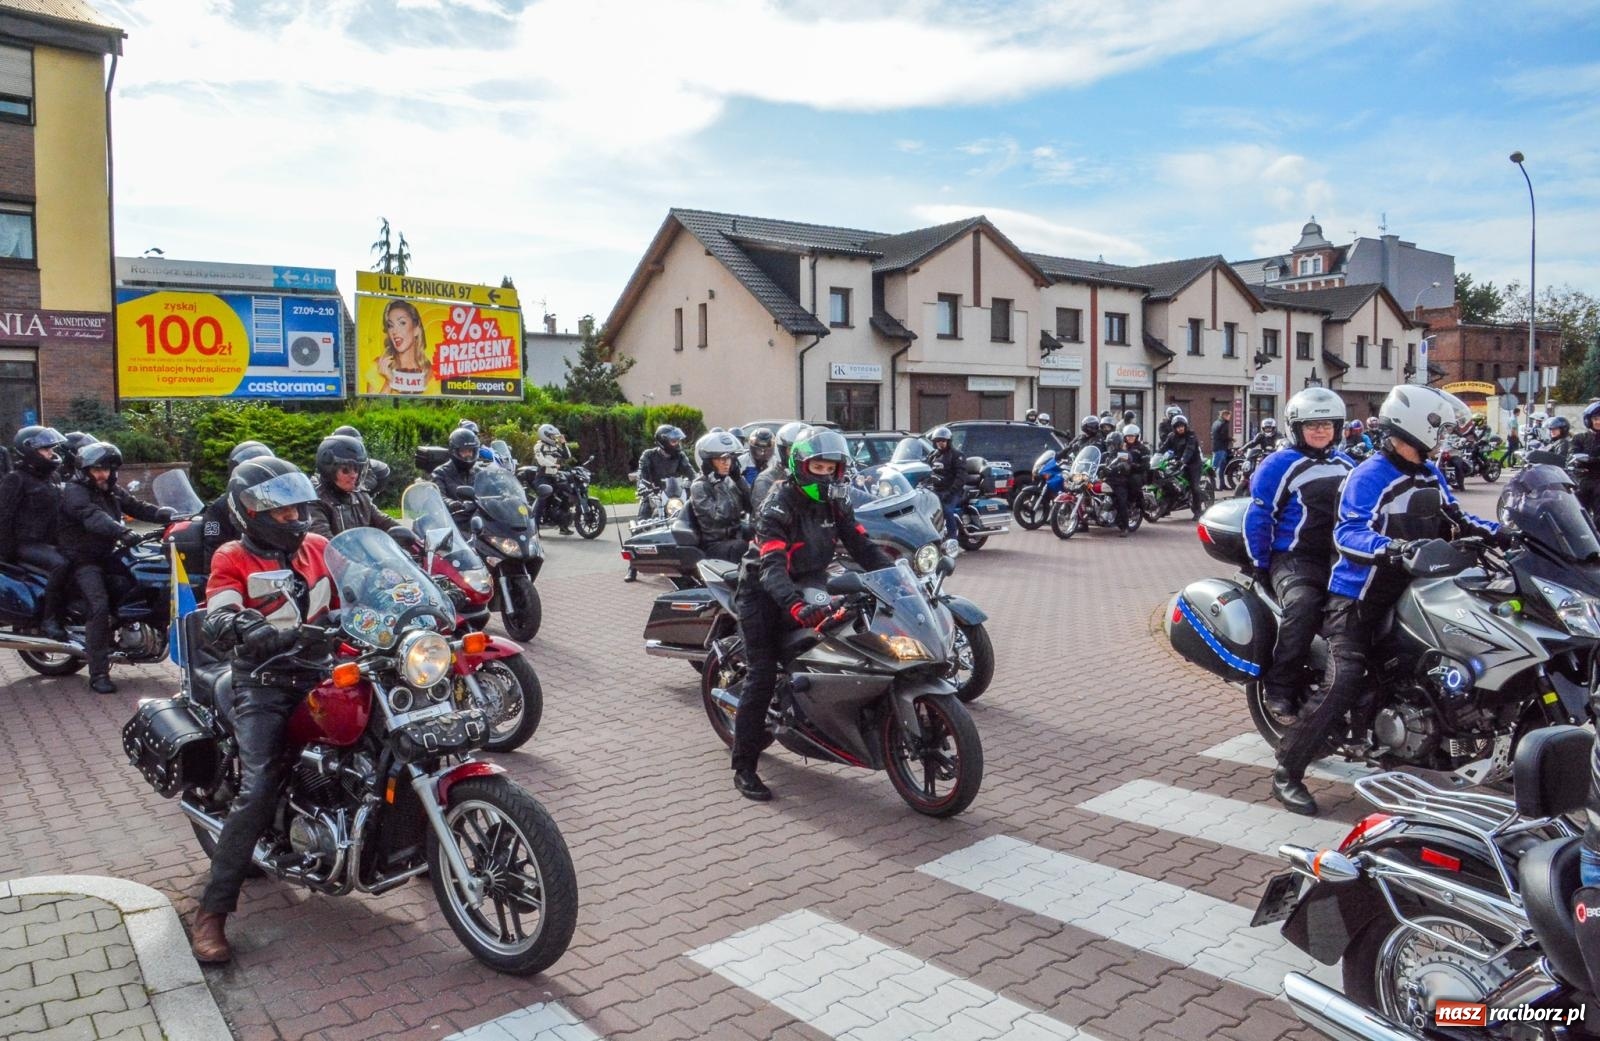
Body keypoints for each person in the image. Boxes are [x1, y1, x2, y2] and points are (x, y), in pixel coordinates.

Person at [1271, 385, 1503, 816]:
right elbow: (1348, 532)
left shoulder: (1428, 472)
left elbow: (1457, 515)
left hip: (1419, 591)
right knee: (1344, 679)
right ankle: (1288, 771)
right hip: (1360, 598)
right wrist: (1394, 548)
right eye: (1441, 429)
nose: (1446, 437)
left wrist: (1500, 531)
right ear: (1415, 427)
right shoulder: (1370, 475)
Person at [190, 457, 335, 964]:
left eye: (297, 506)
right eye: (281, 510)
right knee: (258, 787)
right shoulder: (233, 556)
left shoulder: (318, 547)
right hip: (264, 682)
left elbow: (360, 585)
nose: (294, 517)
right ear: (250, 512)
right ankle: (211, 911)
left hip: (322, 672)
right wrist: (239, 626)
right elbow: (220, 609)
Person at [731, 429, 893, 800]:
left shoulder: (837, 500)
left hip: (810, 580)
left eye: (831, 468)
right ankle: (744, 767)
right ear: (800, 466)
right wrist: (796, 606)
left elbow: (861, 544)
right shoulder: (778, 504)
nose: (824, 474)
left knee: (843, 634)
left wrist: (897, 579)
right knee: (762, 675)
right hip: (763, 592)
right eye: (817, 466)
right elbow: (771, 567)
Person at [1242, 388, 1353, 723]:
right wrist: (1261, 565)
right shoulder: (1279, 465)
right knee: (1304, 605)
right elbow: (1259, 516)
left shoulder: (1346, 464)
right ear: (1295, 427)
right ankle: (1279, 687)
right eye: (1311, 425)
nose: (1320, 431)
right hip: (1294, 558)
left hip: (1339, 558)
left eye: (1327, 424)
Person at [57, 442, 176, 693]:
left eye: (108, 470)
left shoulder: (110, 489)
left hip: (109, 555)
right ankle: (98, 673)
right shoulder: (74, 492)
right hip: (83, 559)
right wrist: (122, 531)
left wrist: (170, 516)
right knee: (98, 607)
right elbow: (92, 517)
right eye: (98, 469)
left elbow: (136, 506)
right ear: (84, 469)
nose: (104, 475)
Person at [0, 426, 71, 640]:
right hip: (26, 543)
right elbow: (4, 516)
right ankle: (50, 620)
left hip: (50, 540)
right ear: (29, 450)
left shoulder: (52, 477)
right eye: (45, 450)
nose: (51, 453)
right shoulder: (16, 479)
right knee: (61, 564)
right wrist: (6, 552)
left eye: (51, 449)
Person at [307, 435, 399, 538]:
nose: (354, 475)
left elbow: (385, 523)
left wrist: (414, 541)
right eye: (346, 469)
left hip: (361, 553)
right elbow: (324, 543)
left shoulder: (360, 496)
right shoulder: (314, 500)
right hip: (332, 554)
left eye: (357, 469)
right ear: (328, 469)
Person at [202, 441, 274, 572]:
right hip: (239, 573)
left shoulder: (275, 502)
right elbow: (214, 552)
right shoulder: (219, 507)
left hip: (274, 569)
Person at [688, 431, 752, 562]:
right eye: (720, 458)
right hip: (715, 544)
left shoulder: (728, 480)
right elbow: (721, 516)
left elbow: (751, 504)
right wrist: (716, 482)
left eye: (729, 458)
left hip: (735, 537)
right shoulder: (699, 487)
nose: (726, 463)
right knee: (742, 547)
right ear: (708, 462)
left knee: (764, 534)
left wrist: (739, 479)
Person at [371, 299, 429, 395]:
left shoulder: (431, 372)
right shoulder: (378, 367)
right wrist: (389, 382)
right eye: (390, 325)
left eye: (402, 323)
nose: (395, 331)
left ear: (416, 329)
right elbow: (373, 408)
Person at [751, 422, 809, 509]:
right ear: (782, 450)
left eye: (805, 450)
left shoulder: (812, 476)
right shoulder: (767, 479)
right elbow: (762, 514)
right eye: (793, 450)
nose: (800, 454)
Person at [1157, 414, 1205, 520]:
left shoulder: (1191, 435)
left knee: (1194, 487)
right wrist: (1155, 456)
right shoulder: (1171, 436)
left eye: (1182, 426)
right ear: (1174, 427)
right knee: (1167, 481)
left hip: (1193, 463)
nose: (1180, 428)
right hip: (1178, 462)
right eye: (1178, 426)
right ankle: (1166, 508)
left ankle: (1198, 511)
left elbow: (1189, 449)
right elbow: (1163, 448)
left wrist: (1183, 460)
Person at [1106, 424, 1150, 536]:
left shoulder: (1134, 451)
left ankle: (1125, 527)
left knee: (1122, 499)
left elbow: (1130, 463)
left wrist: (1127, 466)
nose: (1130, 438)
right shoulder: (1108, 453)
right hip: (1112, 478)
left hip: (1127, 478)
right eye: (1128, 436)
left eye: (1132, 436)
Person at [431, 427, 485, 513]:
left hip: (479, 517)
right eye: (463, 451)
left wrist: (505, 494)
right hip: (454, 519)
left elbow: (492, 490)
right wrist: (451, 503)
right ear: (454, 450)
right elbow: (438, 496)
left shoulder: (480, 472)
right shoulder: (440, 473)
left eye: (470, 451)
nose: (468, 455)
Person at [530, 424, 571, 532]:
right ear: (545, 435)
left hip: (554, 477)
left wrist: (563, 443)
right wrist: (553, 465)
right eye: (552, 436)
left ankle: (563, 526)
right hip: (542, 477)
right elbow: (541, 460)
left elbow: (567, 456)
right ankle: (535, 528)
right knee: (542, 500)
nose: (554, 438)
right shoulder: (539, 446)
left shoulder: (555, 447)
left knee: (565, 497)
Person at [927, 426, 965, 539]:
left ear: (948, 441)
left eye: (943, 440)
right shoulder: (933, 456)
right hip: (937, 490)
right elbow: (926, 471)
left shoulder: (957, 455)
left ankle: (952, 538)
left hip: (953, 491)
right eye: (938, 441)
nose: (940, 443)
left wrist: (951, 491)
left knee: (947, 510)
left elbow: (961, 477)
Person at [1571, 403, 1600, 519]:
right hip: (1582, 480)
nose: (1598, 422)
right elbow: (1573, 456)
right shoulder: (1580, 438)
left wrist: (1589, 460)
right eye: (1595, 419)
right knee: (1578, 515)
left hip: (1599, 481)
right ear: (1589, 420)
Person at [1210, 409, 1234, 477]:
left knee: (1221, 466)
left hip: (1216, 446)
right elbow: (1223, 436)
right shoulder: (1224, 424)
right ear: (1224, 416)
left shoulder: (1215, 422)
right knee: (1214, 468)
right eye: (1229, 416)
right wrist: (1231, 439)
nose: (1229, 418)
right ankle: (1209, 484)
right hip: (1221, 448)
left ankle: (1221, 484)